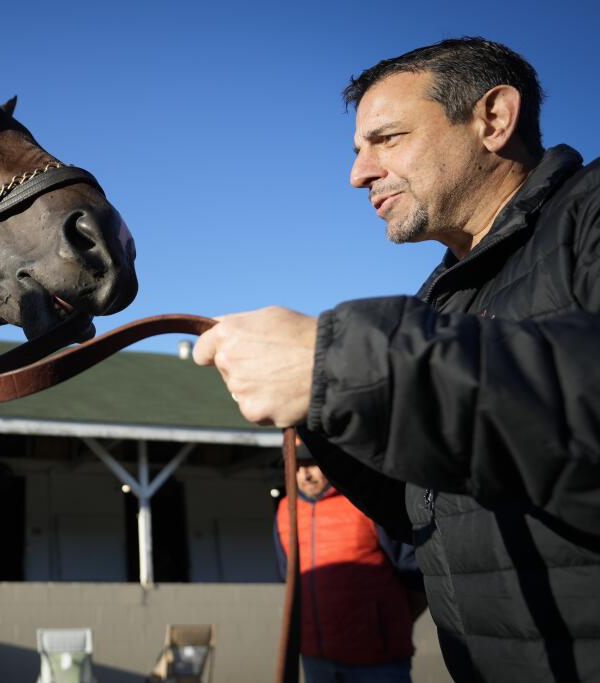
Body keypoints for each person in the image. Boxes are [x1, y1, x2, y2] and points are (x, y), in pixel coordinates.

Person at [193, 37, 600, 682]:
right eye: (358, 150)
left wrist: (337, 362)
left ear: (493, 120)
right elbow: (420, 506)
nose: (359, 173)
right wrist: (322, 408)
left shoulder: (593, 213)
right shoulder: (441, 303)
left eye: (386, 138)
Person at [273, 442, 424, 682]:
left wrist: (390, 624)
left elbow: (414, 573)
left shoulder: (365, 500)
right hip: (316, 658)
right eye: (298, 466)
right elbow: (289, 579)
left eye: (311, 464)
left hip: (378, 660)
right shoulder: (285, 511)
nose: (305, 475)